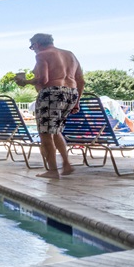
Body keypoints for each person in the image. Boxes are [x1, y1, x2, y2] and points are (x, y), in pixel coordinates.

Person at [16, 33, 83, 179]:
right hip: (71, 93)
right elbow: (80, 80)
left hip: (51, 93)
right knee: (56, 130)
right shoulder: (70, 54)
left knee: (45, 134)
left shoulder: (42, 55)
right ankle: (66, 164)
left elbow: (43, 78)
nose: (33, 49)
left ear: (37, 44)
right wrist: (76, 101)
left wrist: (25, 82)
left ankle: (52, 171)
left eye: (32, 46)